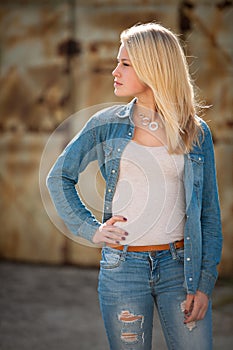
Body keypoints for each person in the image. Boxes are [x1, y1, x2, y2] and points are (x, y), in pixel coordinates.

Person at [46, 22, 222, 350]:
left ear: (153, 68)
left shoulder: (195, 133)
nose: (115, 71)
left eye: (125, 64)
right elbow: (58, 177)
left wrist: (205, 283)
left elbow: (209, 214)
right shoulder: (104, 124)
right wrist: (91, 229)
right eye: (117, 62)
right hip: (123, 268)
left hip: (180, 269)